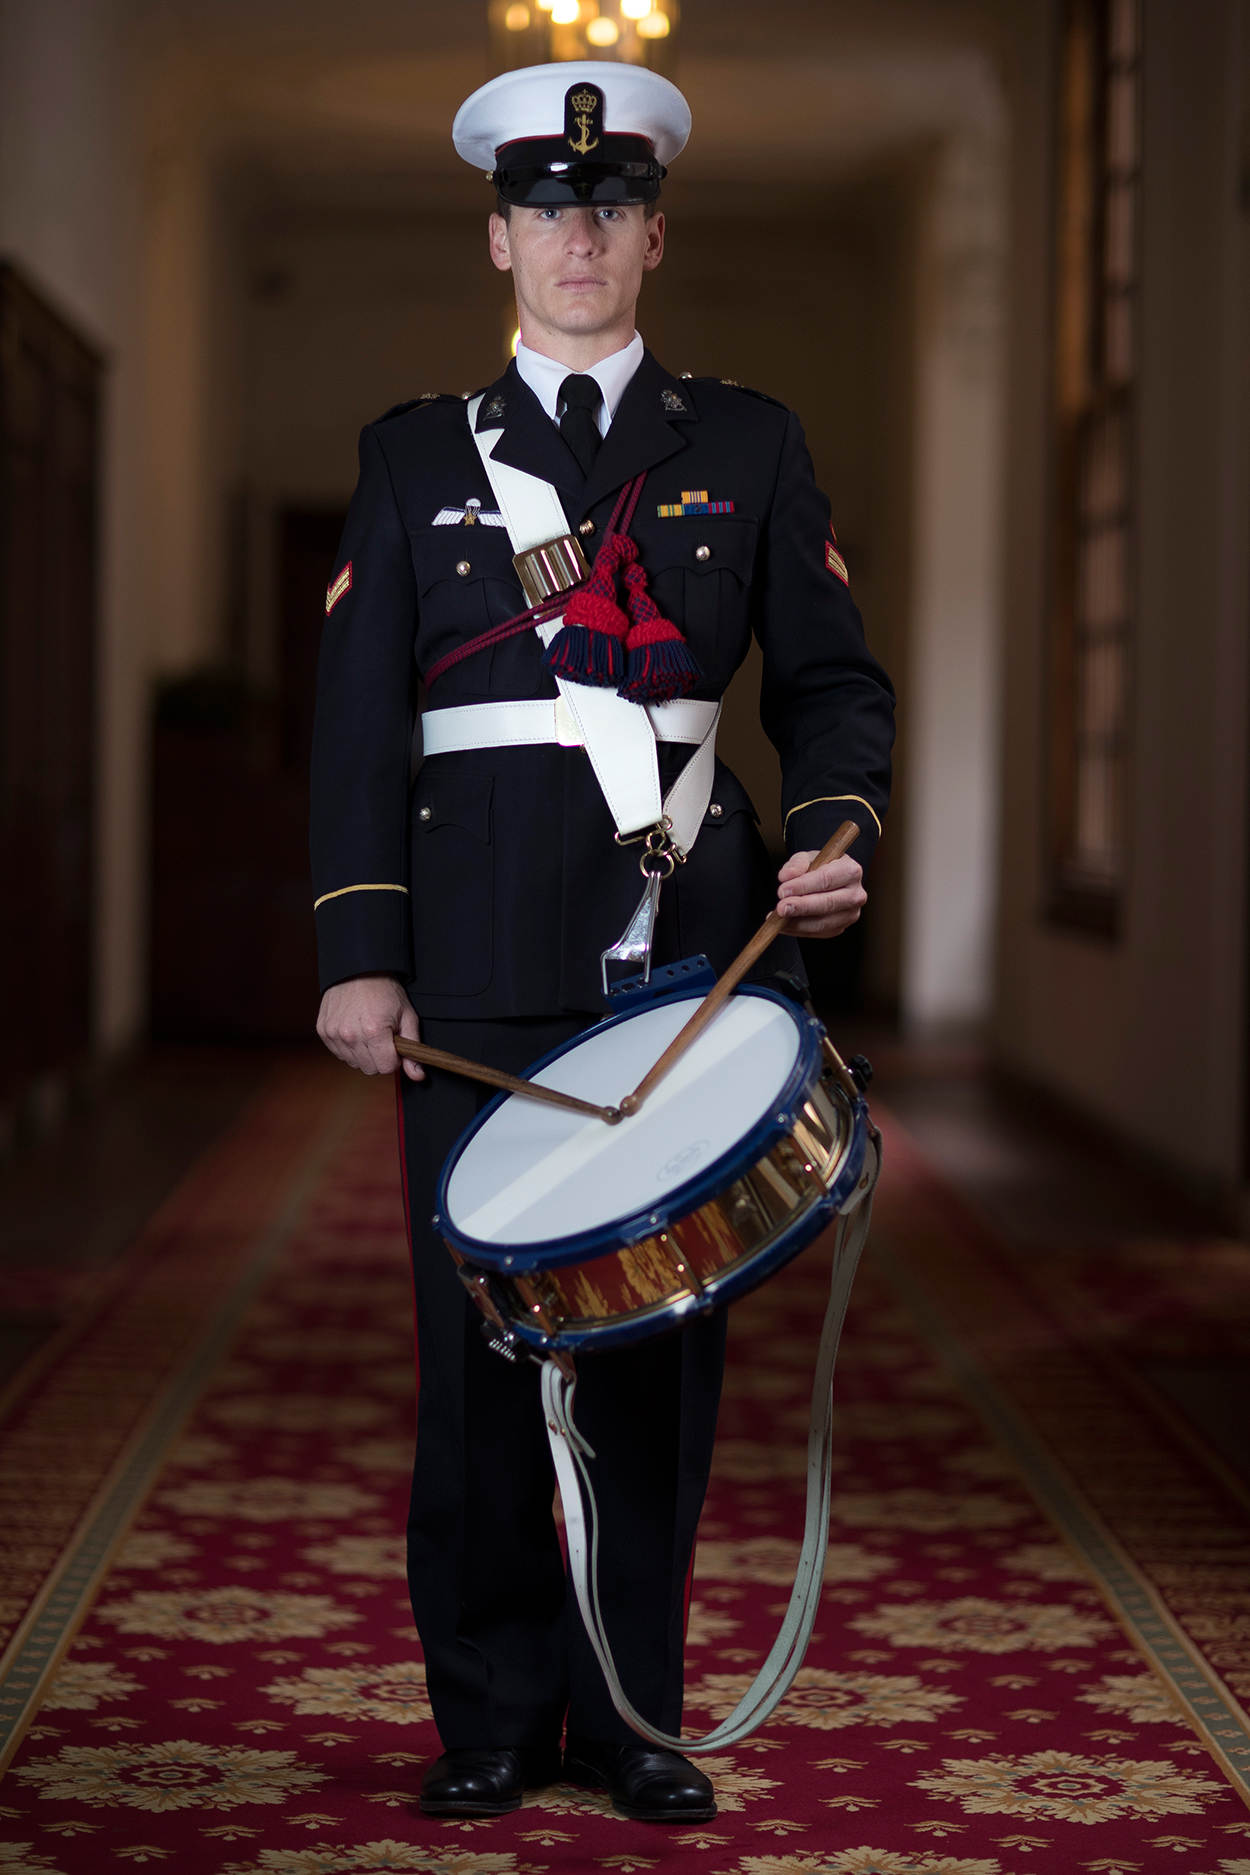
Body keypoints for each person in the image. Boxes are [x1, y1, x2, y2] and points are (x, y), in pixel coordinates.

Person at [310, 60, 894, 1825]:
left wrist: (832, 833)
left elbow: (830, 688)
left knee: (656, 1357)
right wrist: (357, 952)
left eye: (613, 209)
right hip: (475, 960)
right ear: (500, 239)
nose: (580, 238)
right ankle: (491, 1711)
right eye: (546, 212)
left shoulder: (747, 445)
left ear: (653, 238)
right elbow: (359, 729)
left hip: (680, 953)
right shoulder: (416, 455)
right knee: (481, 1356)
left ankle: (630, 1712)